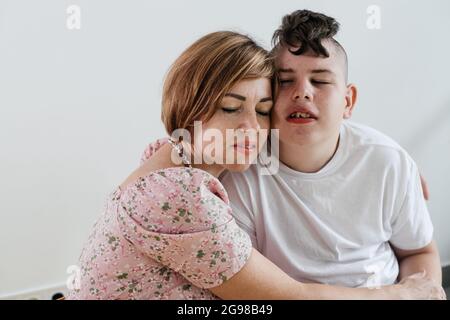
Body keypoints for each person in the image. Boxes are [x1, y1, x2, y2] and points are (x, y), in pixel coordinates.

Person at [68, 30, 444, 300]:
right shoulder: (185, 199)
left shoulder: (176, 155)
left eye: (263, 110)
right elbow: (288, 299)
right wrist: (405, 295)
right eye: (231, 108)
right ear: (190, 106)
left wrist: (394, 164)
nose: (251, 127)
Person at [219, 10, 445, 295]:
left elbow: (419, 253)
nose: (302, 92)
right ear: (265, 96)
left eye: (321, 81)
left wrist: (423, 291)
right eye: (285, 81)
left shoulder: (388, 161)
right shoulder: (241, 173)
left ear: (348, 101)